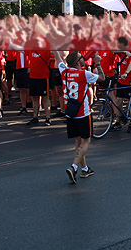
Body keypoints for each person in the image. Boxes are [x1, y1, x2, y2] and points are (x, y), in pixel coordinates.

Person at [56, 51, 103, 184]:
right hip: (83, 112)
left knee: (78, 142)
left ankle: (85, 169)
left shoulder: (64, 71)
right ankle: (74, 166)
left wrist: (53, 47)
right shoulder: (84, 74)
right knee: (86, 141)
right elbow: (102, 78)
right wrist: (98, 63)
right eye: (81, 58)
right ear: (77, 63)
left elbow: (57, 57)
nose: (83, 58)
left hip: (70, 112)